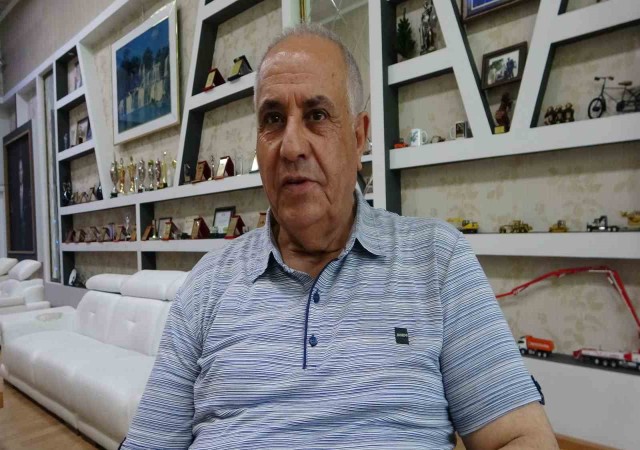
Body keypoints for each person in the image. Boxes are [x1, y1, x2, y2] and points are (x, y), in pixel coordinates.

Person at [122, 24, 558, 450]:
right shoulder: (207, 283)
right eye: (273, 119)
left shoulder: (438, 261)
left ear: (359, 135)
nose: (291, 146)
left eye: (317, 115)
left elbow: (519, 436)